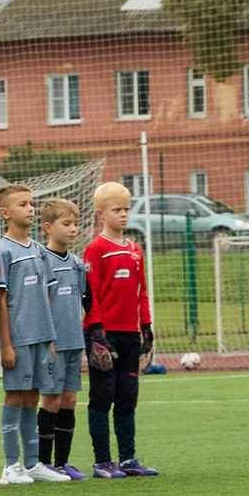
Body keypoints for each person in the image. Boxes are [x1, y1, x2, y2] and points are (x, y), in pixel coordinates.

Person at [81, 182, 158, 477]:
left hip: (130, 333)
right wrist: (97, 331)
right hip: (104, 333)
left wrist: (146, 327)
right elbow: (92, 293)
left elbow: (141, 292)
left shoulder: (135, 249)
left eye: (127, 209)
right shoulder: (96, 248)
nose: (124, 215)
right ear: (102, 213)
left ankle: (128, 458)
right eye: (117, 210)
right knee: (103, 396)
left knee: (128, 396)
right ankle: (102, 461)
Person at [0, 183, 61, 485]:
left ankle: (32, 464)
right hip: (17, 339)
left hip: (41, 337)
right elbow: (1, 301)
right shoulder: (3, 252)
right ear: (5, 213)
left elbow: (45, 296)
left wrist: (50, 337)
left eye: (32, 204)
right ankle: (11, 464)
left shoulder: (39, 251)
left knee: (33, 396)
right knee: (15, 396)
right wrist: (6, 345)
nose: (30, 209)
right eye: (23, 204)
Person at [35, 197, 89, 478]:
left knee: (69, 400)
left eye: (76, 224)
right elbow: (41, 303)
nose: (73, 229)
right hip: (53, 345)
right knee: (51, 400)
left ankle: (62, 462)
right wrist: (48, 339)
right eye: (66, 224)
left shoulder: (78, 263)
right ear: (48, 227)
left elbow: (81, 301)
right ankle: (41, 462)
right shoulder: (42, 261)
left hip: (74, 342)